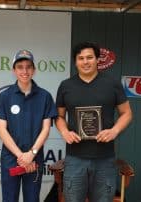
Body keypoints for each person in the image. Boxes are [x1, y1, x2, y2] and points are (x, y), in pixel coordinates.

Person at [55, 42, 132, 202]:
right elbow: (59, 116)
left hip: (104, 158)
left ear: (98, 60)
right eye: (81, 58)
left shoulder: (112, 84)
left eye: (90, 57)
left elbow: (126, 113)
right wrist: (64, 132)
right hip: (75, 158)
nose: (85, 61)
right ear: (75, 62)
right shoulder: (66, 86)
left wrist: (114, 131)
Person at [0, 50, 57, 202]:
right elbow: (2, 130)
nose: (25, 71)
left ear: (34, 70)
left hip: (34, 159)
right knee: (9, 199)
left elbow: (46, 129)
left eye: (28, 67)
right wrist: (21, 156)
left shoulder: (45, 96)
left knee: (32, 199)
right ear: (14, 70)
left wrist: (31, 154)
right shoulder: (5, 96)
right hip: (11, 159)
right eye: (20, 67)